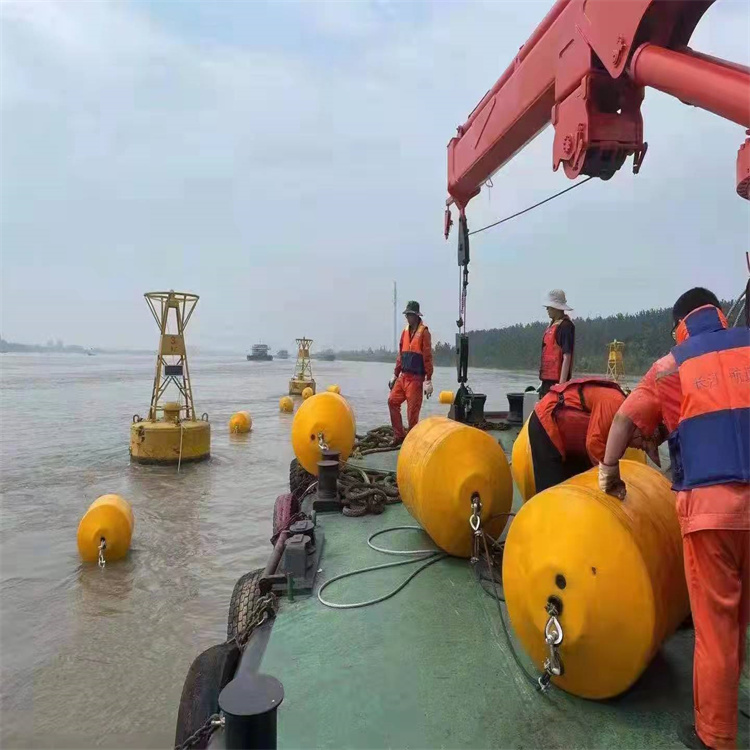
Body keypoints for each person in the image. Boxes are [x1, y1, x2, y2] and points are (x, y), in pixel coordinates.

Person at [599, 288, 750, 750]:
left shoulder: (670, 366)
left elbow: (624, 421)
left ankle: (715, 736)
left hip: (712, 516)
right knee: (740, 621)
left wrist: (608, 473)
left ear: (680, 323)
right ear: (719, 315)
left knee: (718, 631)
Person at [527, 376, 658, 494]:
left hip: (572, 443)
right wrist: (609, 477)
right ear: (639, 426)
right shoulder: (615, 404)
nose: (639, 448)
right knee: (552, 489)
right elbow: (594, 443)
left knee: (577, 486)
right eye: (643, 443)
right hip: (546, 424)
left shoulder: (623, 432)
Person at [388, 300, 433, 446]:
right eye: (406, 315)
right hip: (403, 377)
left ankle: (411, 444)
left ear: (416, 316)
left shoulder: (424, 332)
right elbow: (401, 355)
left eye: (409, 315)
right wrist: (395, 375)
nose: (407, 317)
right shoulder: (405, 332)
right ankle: (399, 435)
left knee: (412, 414)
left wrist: (428, 379)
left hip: (416, 379)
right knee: (392, 401)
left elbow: (427, 357)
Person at [539, 289, 575, 396]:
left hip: (557, 382)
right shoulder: (551, 326)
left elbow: (567, 356)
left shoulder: (565, 326)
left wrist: (561, 385)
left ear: (556, 308)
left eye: (549, 307)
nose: (547, 310)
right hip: (546, 382)